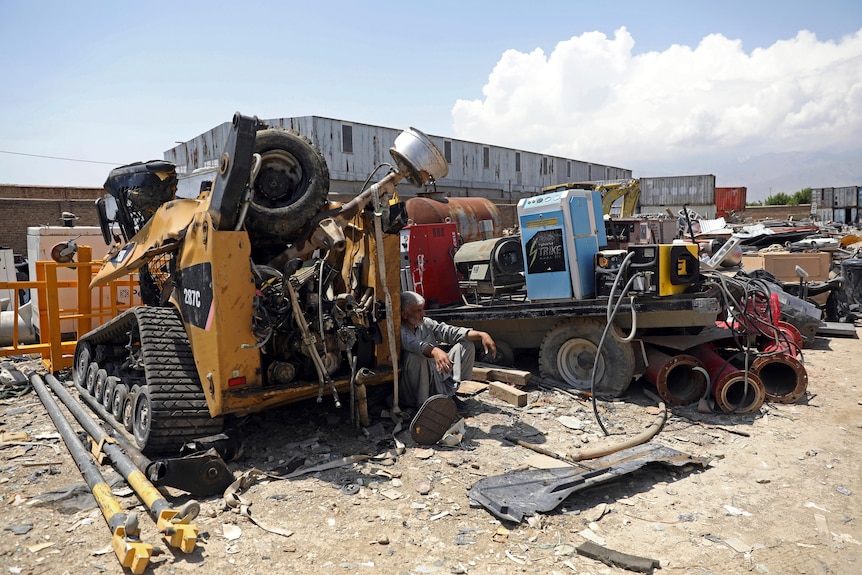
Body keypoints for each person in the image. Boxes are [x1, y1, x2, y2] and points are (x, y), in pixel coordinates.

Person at [399, 290, 497, 408]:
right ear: (405, 314)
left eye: (422, 309)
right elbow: (415, 345)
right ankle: (423, 406)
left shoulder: (425, 323)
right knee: (416, 356)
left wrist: (481, 334)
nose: (423, 313)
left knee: (466, 345)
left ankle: (450, 394)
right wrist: (435, 351)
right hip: (415, 386)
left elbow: (449, 331)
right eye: (418, 311)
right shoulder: (399, 330)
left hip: (435, 375)